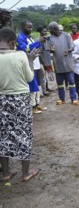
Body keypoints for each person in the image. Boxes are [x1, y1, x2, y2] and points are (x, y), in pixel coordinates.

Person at [0, 28, 39, 181]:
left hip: (1, 99)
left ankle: (5, 173)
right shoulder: (20, 55)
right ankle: (26, 173)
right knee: (24, 135)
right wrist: (30, 59)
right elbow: (30, 78)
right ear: (12, 43)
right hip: (20, 100)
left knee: (3, 136)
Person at [46, 21, 79, 105]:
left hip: (68, 63)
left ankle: (73, 98)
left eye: (51, 30)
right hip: (58, 64)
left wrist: (68, 51)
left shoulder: (66, 35)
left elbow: (72, 47)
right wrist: (51, 50)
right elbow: (48, 48)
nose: (50, 32)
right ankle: (62, 99)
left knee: (71, 82)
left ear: (55, 28)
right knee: (60, 83)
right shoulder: (50, 38)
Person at [16, 20, 45, 114]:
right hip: (28, 63)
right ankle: (32, 106)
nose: (31, 29)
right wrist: (37, 42)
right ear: (23, 27)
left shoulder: (30, 36)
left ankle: (37, 104)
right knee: (32, 84)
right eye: (28, 27)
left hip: (35, 63)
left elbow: (34, 48)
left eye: (31, 27)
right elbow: (26, 48)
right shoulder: (20, 37)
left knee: (37, 84)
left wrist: (39, 44)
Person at [36, 26, 51, 96]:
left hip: (47, 60)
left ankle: (47, 88)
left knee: (46, 75)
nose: (45, 32)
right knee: (42, 76)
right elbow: (39, 53)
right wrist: (42, 62)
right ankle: (43, 91)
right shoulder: (38, 40)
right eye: (44, 31)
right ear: (40, 32)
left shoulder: (47, 39)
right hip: (41, 61)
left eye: (46, 31)